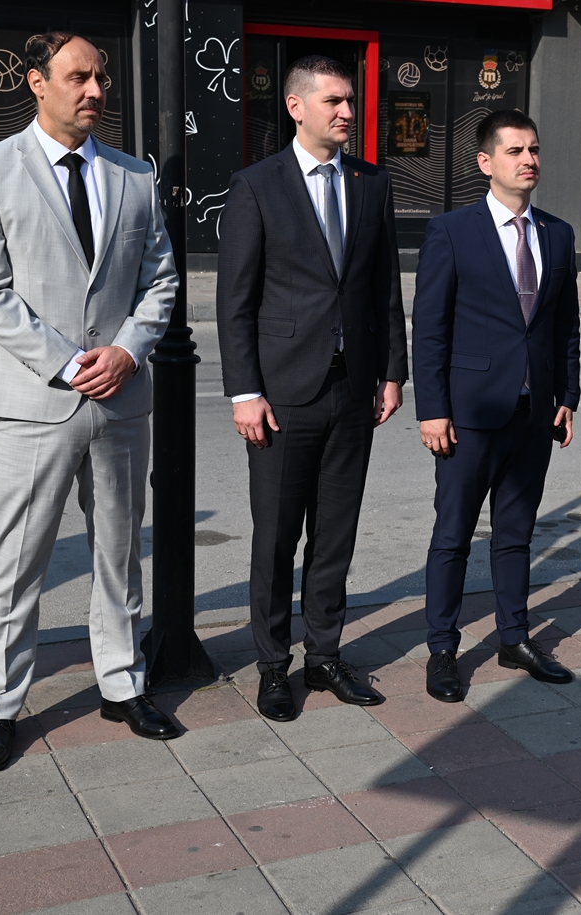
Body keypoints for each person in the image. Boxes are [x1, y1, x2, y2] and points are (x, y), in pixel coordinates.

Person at [0, 32, 180, 771]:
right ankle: (0, 706)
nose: (95, 90)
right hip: (30, 403)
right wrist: (67, 362)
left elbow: (161, 280)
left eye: (100, 78)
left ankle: (122, 683)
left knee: (119, 552)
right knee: (18, 561)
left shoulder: (134, 175)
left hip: (120, 399)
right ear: (36, 82)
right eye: (78, 77)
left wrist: (128, 350)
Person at [217, 55, 407, 721]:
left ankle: (324, 655)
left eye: (350, 100)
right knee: (275, 537)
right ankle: (273, 664)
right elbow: (235, 302)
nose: (348, 112)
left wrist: (392, 372)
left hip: (353, 390)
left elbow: (384, 287)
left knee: (335, 534)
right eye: (334, 101)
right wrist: (244, 391)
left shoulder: (372, 183)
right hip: (282, 394)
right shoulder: (256, 186)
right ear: (296, 107)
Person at [413, 110, 581, 702]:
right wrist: (432, 409)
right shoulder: (452, 231)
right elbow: (430, 328)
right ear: (486, 162)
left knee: (515, 534)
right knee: (453, 535)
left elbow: (564, 324)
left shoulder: (557, 233)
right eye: (515, 151)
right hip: (469, 414)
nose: (528, 160)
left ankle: (514, 637)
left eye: (533, 149)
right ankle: (442, 649)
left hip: (534, 414)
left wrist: (567, 396)